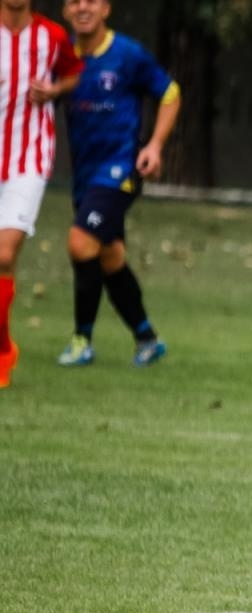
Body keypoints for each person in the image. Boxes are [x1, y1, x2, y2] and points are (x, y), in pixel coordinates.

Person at [55, 0, 180, 370]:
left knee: (80, 242)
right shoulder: (62, 59)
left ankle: (82, 340)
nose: (83, 8)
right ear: (65, 11)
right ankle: (147, 338)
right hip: (85, 175)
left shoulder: (127, 54)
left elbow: (170, 94)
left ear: (106, 8)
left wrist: (155, 146)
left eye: (91, 0)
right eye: (74, 1)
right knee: (109, 257)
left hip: (120, 170)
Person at [0, 0, 81, 389]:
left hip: (28, 159)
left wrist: (53, 90)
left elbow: (74, 74)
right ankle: (3, 346)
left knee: (3, 254)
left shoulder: (51, 36)